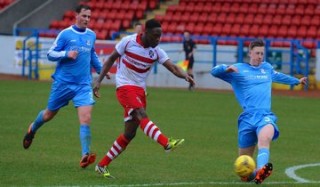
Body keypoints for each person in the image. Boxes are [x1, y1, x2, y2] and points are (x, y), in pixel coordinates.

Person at [93, 19, 195, 178]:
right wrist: (98, 80)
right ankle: (166, 143)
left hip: (140, 91)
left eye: (160, 36)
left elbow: (174, 68)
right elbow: (112, 58)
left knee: (129, 134)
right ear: (145, 33)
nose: (158, 39)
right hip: (124, 87)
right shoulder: (128, 42)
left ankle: (102, 165)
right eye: (155, 36)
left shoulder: (157, 52)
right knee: (141, 114)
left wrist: (186, 76)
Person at [22, 4, 108, 168]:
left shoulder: (91, 35)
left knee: (86, 118)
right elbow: (50, 54)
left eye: (89, 17)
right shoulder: (66, 34)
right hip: (63, 84)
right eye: (84, 16)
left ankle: (85, 154)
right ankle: (32, 130)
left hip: (83, 85)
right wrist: (66, 54)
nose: (87, 20)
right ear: (76, 15)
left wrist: (100, 69)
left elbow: (91, 54)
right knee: (48, 115)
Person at [210, 39, 307, 184]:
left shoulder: (266, 68)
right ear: (250, 53)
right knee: (244, 169)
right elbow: (214, 71)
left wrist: (296, 81)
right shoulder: (238, 69)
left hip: (264, 116)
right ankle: (255, 173)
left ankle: (262, 169)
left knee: (264, 139)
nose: (260, 56)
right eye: (257, 53)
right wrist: (226, 68)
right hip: (247, 118)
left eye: (262, 53)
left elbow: (279, 76)